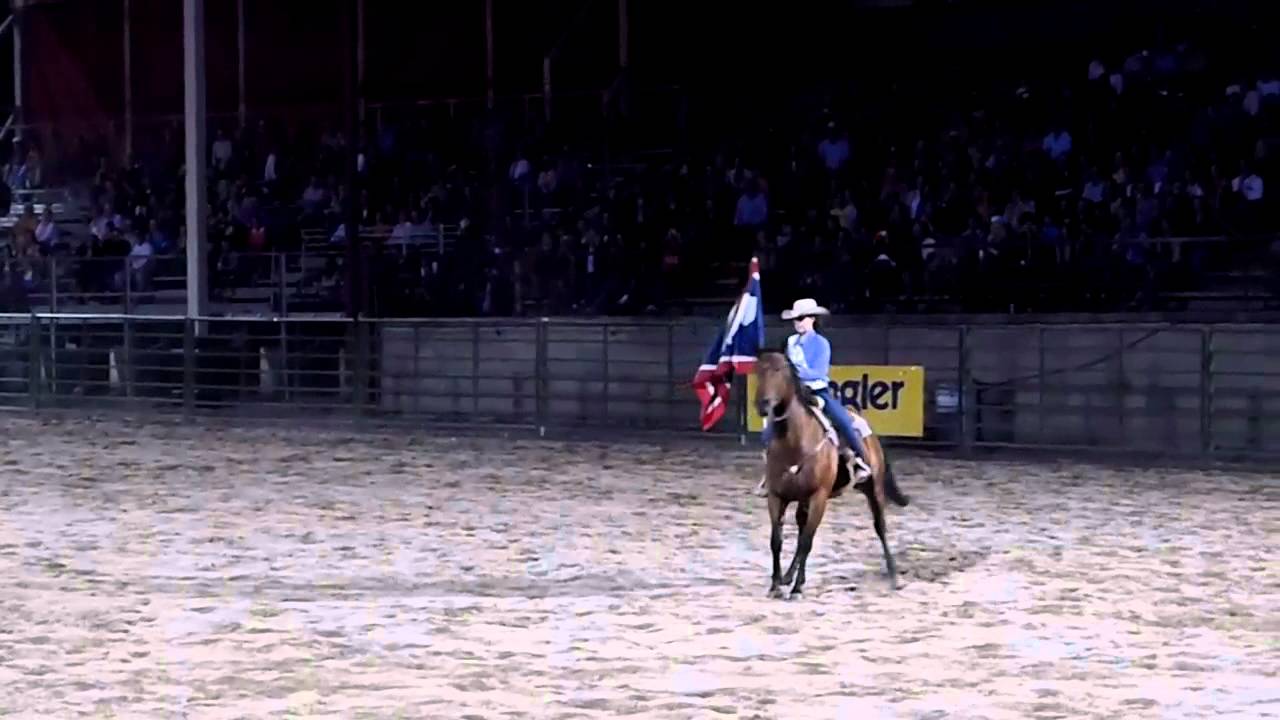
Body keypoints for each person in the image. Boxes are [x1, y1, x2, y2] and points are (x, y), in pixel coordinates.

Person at [755, 298, 871, 496]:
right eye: (795, 319)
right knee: (769, 430)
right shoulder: (789, 342)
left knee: (844, 421)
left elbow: (818, 371)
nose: (798, 323)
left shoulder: (821, 344)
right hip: (793, 392)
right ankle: (770, 474)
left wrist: (794, 372)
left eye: (801, 318)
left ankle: (862, 462)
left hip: (817, 391)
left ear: (812, 319)